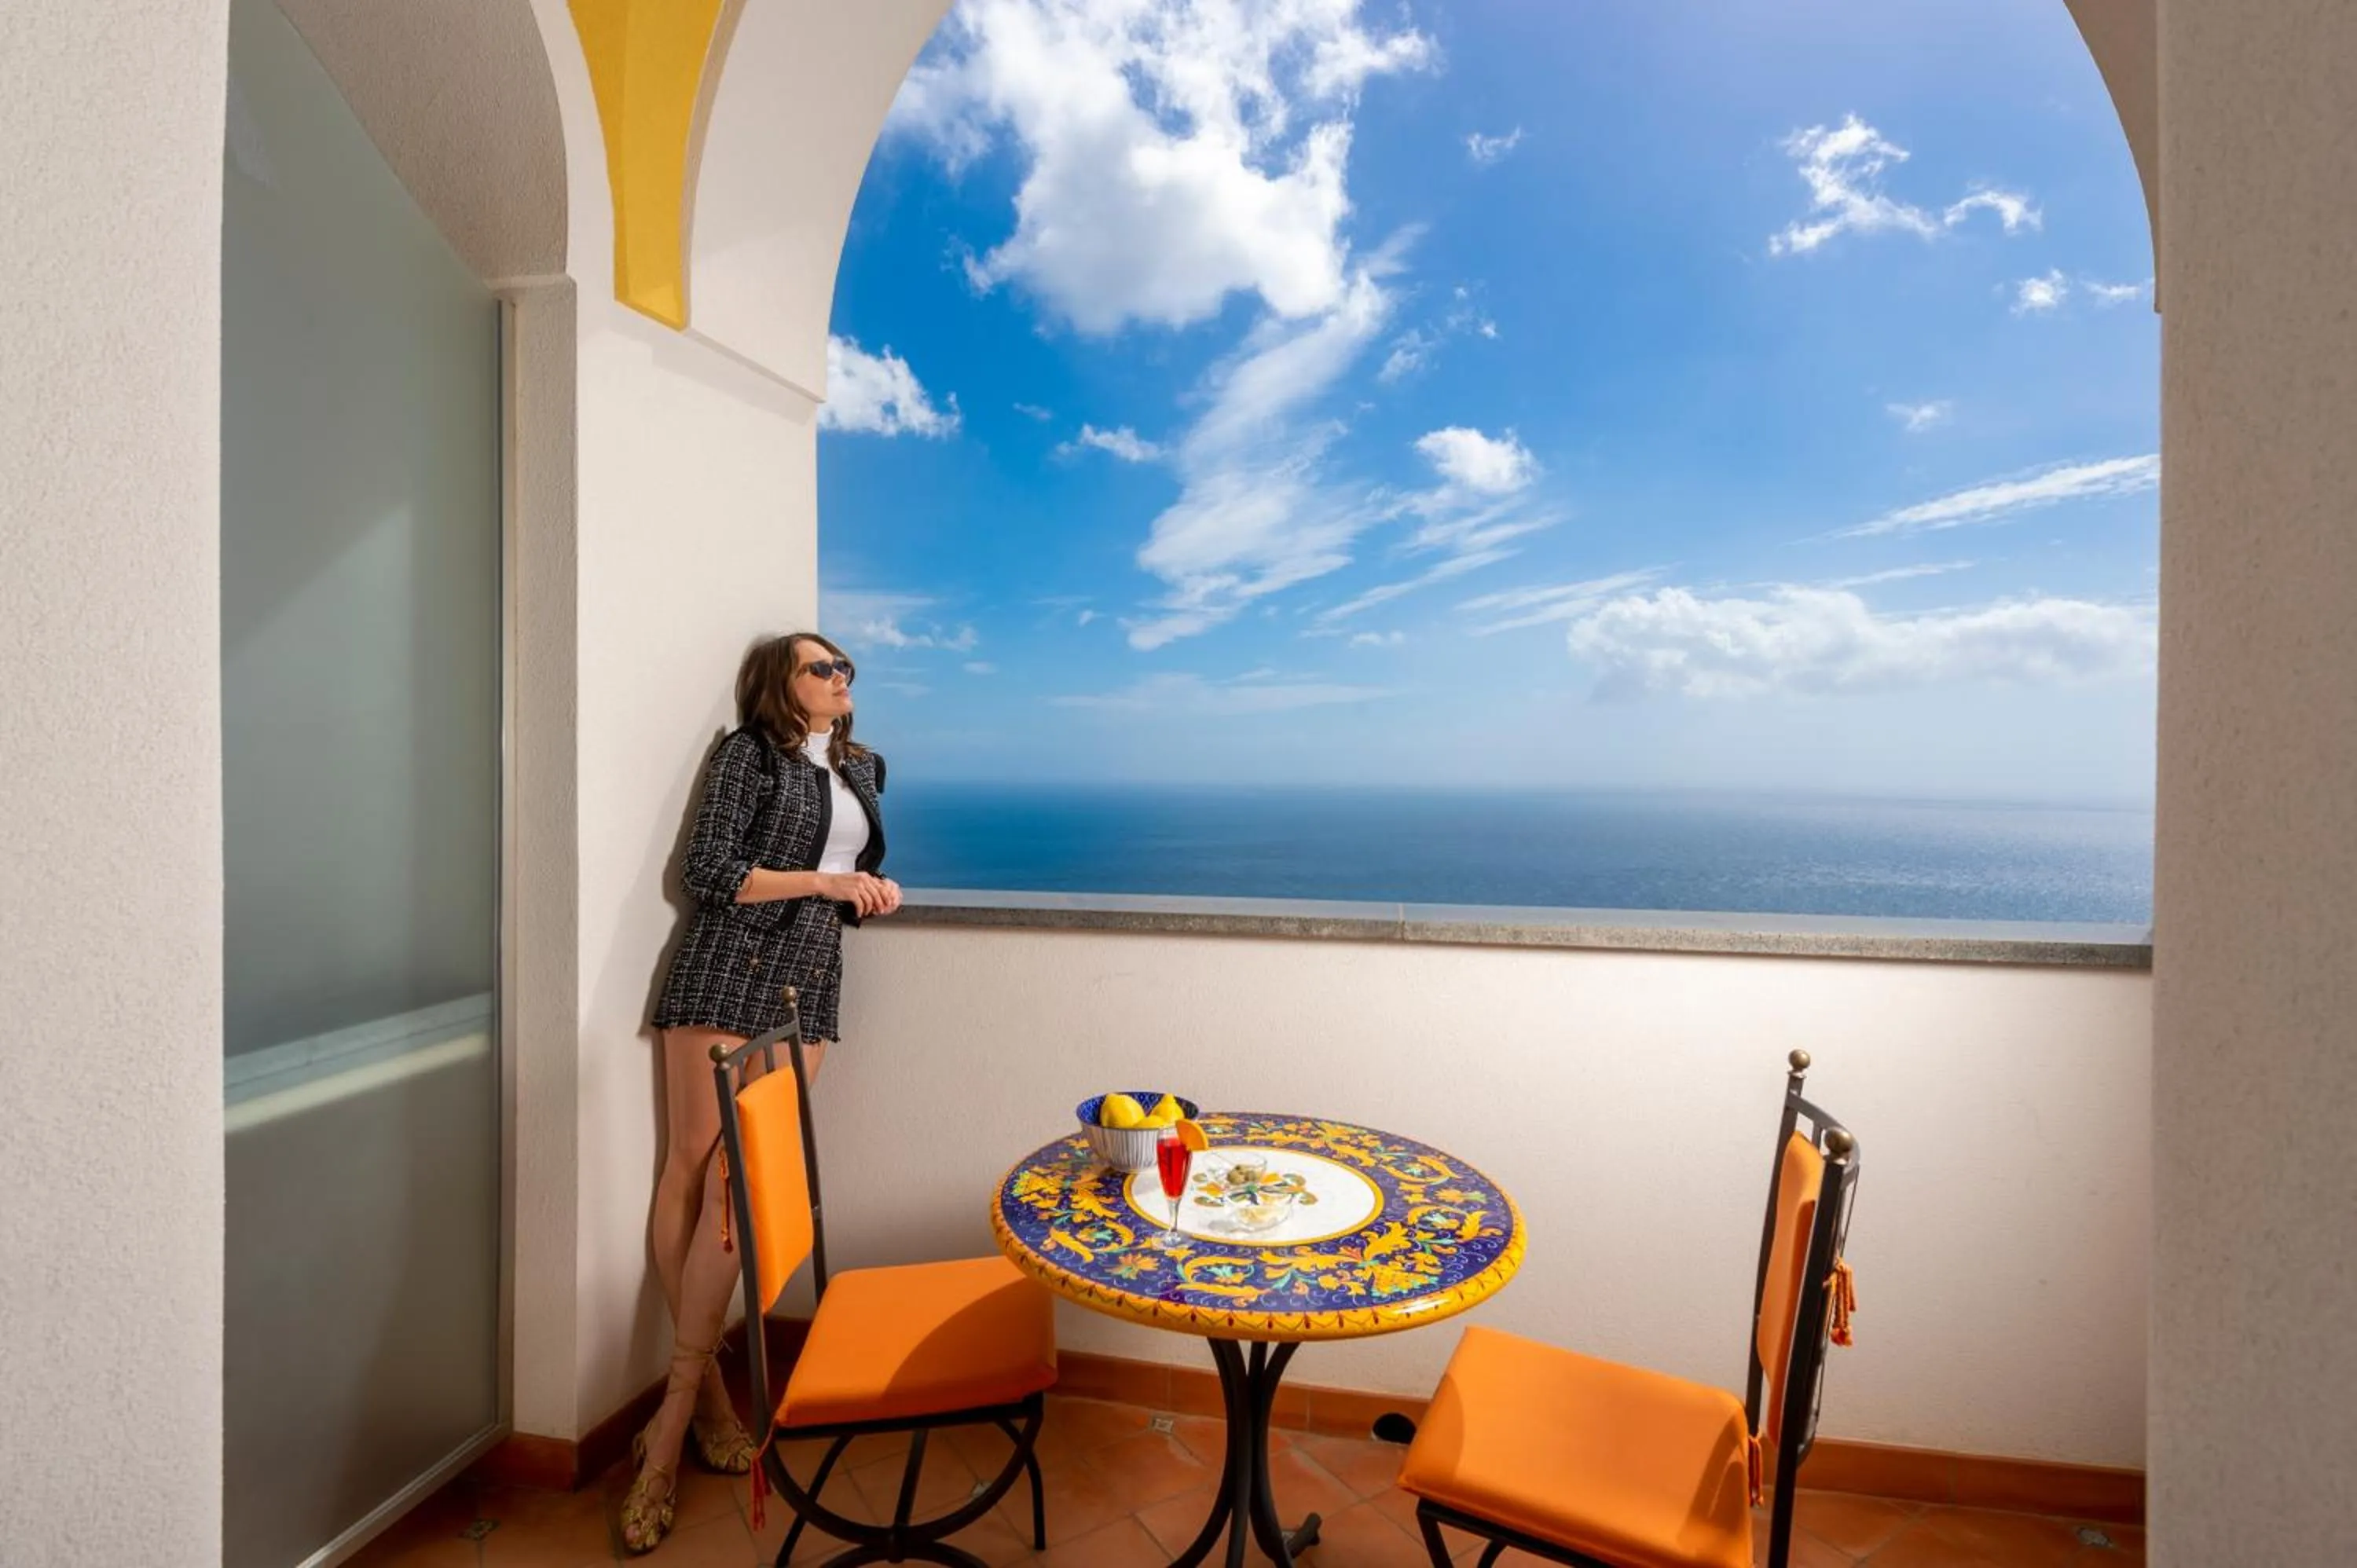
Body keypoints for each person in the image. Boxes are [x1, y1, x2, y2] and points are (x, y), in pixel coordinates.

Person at [620, 632, 901, 1554]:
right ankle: (688, 1414)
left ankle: (683, 1405)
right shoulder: (749, 754)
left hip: (807, 981)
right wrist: (824, 879)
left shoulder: (863, 768)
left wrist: (863, 887)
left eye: (844, 668)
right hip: (726, 970)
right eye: (822, 668)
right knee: (691, 1175)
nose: (840, 679)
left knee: (747, 1193)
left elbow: (836, 873)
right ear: (779, 685)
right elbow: (710, 872)